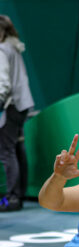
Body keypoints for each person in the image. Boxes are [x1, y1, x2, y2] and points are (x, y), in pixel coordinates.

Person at [0, 15, 34, 212]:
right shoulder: (14, 47)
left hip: (11, 106)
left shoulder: (3, 50)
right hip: (22, 105)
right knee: (18, 149)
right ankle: (18, 195)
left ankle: (12, 198)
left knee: (6, 151)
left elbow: (3, 81)